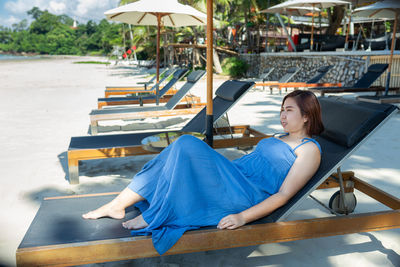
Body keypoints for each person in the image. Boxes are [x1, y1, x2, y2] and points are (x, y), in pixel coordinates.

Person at [82, 90, 324, 254]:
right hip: (234, 175)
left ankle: (155, 214)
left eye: (289, 110)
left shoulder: (309, 150)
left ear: (306, 116)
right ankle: (118, 204)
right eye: (282, 109)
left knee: (187, 143)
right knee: (177, 149)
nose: (282, 114)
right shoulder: (278, 136)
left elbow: (283, 195)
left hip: (244, 194)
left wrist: (243, 217)